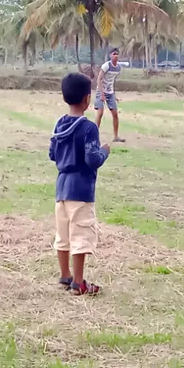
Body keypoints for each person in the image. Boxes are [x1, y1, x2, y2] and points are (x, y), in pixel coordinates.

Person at [50, 72, 110, 296]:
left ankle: (65, 276)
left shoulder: (59, 125)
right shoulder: (88, 128)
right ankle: (79, 283)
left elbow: (52, 154)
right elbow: (92, 160)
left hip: (61, 187)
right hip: (81, 189)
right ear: (87, 99)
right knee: (81, 235)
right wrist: (105, 151)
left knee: (63, 234)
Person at [95, 47, 125, 142]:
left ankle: (116, 136)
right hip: (101, 91)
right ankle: (94, 136)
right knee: (100, 112)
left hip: (110, 92)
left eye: (117, 54)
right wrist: (102, 94)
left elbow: (112, 81)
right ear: (110, 55)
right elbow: (99, 79)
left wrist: (114, 95)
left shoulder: (119, 68)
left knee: (115, 114)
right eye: (114, 54)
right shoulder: (106, 66)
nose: (116, 56)